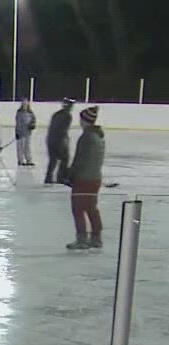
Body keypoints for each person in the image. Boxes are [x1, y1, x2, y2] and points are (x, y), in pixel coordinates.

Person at [67, 107, 106, 250]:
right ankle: (96, 238)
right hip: (95, 178)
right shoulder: (99, 136)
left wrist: (70, 175)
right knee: (91, 209)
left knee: (78, 209)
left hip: (83, 179)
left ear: (84, 120)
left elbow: (79, 160)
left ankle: (82, 239)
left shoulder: (86, 137)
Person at [45, 99, 76, 184]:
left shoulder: (56, 114)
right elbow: (63, 130)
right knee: (65, 159)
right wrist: (65, 140)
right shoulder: (68, 116)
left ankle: (48, 177)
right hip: (59, 140)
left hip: (50, 139)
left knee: (53, 159)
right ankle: (61, 177)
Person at [14, 100, 37, 167]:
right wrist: (17, 132)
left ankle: (29, 160)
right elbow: (18, 123)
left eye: (26, 104)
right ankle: (20, 160)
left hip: (28, 132)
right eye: (23, 104)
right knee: (20, 147)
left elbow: (34, 120)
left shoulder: (30, 112)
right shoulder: (19, 113)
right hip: (20, 132)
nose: (25, 105)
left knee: (27, 147)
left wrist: (32, 125)